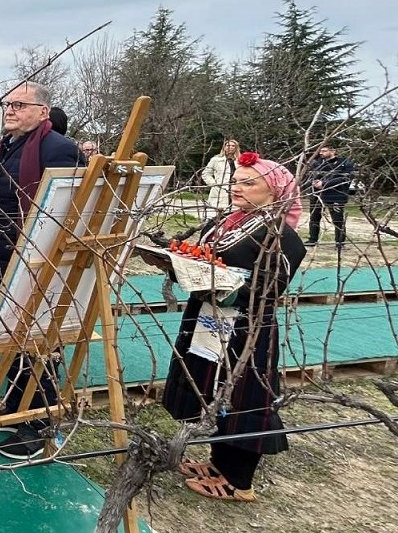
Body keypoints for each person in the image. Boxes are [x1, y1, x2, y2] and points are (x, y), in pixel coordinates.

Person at [150, 151, 305, 502]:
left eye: (249, 182)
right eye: (236, 180)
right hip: (209, 318)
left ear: (275, 190)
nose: (238, 187)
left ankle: (239, 482)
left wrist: (220, 282)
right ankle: (219, 463)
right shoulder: (231, 220)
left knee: (243, 396)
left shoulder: (280, 236)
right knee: (214, 390)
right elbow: (203, 257)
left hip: (245, 329)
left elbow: (268, 289)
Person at [0, 81, 81, 459]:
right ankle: (17, 403)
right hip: (0, 259)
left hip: (36, 263)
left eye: (19, 104)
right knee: (16, 338)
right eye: (7, 104)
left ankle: (37, 424)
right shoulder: (5, 144)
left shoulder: (59, 149)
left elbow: (65, 212)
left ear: (42, 111)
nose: (10, 110)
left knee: (39, 341)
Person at [303, 143, 354, 248]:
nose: (321, 153)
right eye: (320, 151)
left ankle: (339, 243)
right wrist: (313, 182)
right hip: (317, 194)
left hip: (335, 195)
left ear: (333, 151)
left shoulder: (343, 163)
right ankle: (312, 239)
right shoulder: (317, 163)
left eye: (324, 151)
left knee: (338, 220)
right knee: (314, 217)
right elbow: (310, 175)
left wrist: (325, 183)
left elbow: (345, 178)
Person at [201, 139, 240, 220]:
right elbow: (206, 173)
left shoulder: (240, 161)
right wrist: (214, 184)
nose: (231, 147)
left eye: (233, 146)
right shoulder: (216, 159)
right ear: (224, 147)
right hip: (220, 190)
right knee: (215, 215)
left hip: (235, 189)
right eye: (228, 145)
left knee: (234, 214)